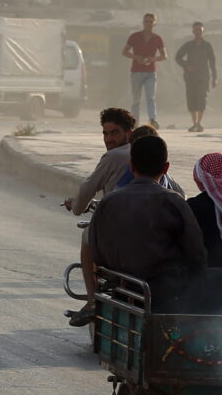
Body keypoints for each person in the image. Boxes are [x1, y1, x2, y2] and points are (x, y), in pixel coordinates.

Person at [77, 135, 205, 316]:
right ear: (166, 168)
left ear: (132, 166)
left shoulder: (109, 201)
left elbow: (98, 253)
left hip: (120, 287)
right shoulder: (174, 201)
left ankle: (92, 302)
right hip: (165, 294)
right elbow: (195, 252)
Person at [63, 107, 137, 215]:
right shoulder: (140, 151)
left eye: (115, 133)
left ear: (128, 134)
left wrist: (76, 207)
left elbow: (88, 187)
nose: (108, 139)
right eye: (105, 134)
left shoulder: (114, 156)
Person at [122, 13, 166, 129]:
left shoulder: (157, 39)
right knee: (136, 100)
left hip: (150, 72)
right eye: (146, 21)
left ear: (154, 24)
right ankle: (134, 122)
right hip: (136, 71)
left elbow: (164, 56)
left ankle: (152, 120)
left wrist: (153, 59)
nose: (148, 24)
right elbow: (125, 52)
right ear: (143, 22)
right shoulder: (135, 36)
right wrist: (136, 57)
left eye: (150, 22)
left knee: (150, 97)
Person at [173, 21, 219, 134]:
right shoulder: (188, 45)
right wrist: (186, 65)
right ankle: (194, 123)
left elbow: (212, 62)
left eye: (200, 30)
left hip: (203, 76)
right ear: (193, 31)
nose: (198, 32)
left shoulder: (207, 46)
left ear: (203, 31)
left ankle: (199, 123)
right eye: (196, 29)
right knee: (191, 98)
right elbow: (178, 57)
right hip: (190, 77)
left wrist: (215, 78)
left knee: (202, 97)